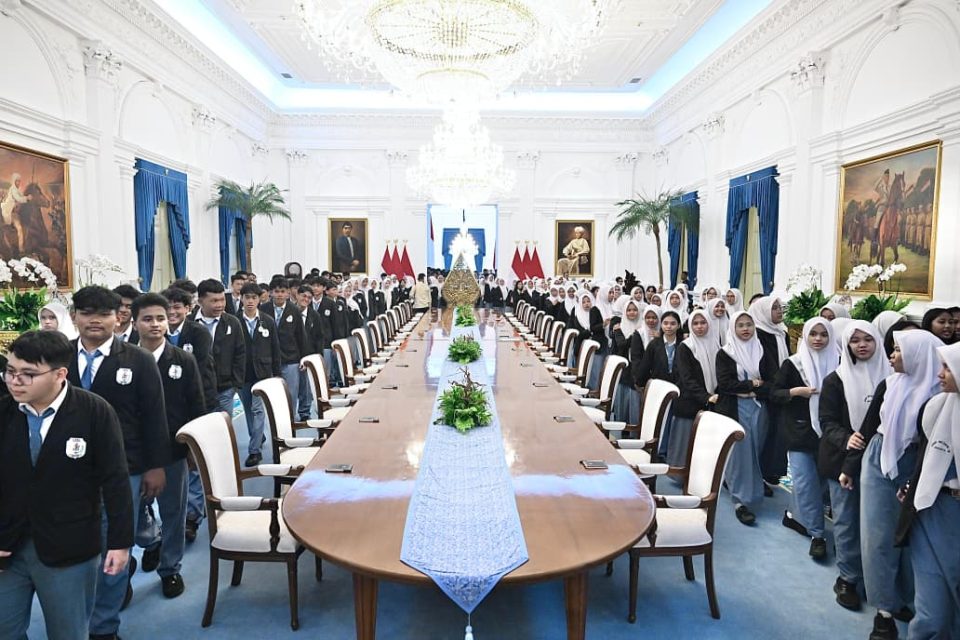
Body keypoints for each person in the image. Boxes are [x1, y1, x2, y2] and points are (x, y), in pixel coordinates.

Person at [0, 331, 132, 640]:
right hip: (9, 546)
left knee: (68, 632)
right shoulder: (4, 413)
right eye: (10, 371)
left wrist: (120, 542)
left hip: (69, 547)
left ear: (60, 374)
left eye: (28, 374)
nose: (15, 381)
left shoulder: (94, 412)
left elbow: (115, 479)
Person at [66, 286, 169, 639]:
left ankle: (104, 626)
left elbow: (154, 416)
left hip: (127, 467)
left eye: (104, 313)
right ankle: (77, 617)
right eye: (87, 312)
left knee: (116, 542)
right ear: (73, 316)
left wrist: (156, 466)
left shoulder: (137, 359)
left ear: (118, 317)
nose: (95, 320)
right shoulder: (59, 357)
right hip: (70, 472)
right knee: (75, 547)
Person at [851, 330, 942, 639]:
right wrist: (850, 465)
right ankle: (884, 612)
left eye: (899, 350)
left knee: (913, 538)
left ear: (918, 355)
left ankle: (906, 598)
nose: (892, 356)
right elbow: (867, 427)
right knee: (877, 535)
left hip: (918, 464)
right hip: (879, 458)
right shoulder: (890, 384)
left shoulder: (939, 396)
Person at [129, 293, 205, 599]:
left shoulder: (183, 360)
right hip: (133, 454)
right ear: (134, 322)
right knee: (132, 514)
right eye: (147, 319)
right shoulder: (122, 360)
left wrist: (193, 449)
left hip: (172, 450)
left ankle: (170, 568)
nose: (155, 324)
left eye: (160, 318)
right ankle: (150, 541)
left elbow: (196, 406)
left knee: (174, 512)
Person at [819, 321, 892, 612]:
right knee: (847, 521)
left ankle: (879, 583)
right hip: (842, 459)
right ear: (846, 345)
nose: (862, 345)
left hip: (880, 462)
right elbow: (827, 421)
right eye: (855, 340)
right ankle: (848, 578)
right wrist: (847, 438)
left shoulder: (891, 378)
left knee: (877, 526)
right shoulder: (835, 380)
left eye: (868, 339)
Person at [894, 341, 960, 640]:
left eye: (948, 367)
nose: (940, 374)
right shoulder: (937, 407)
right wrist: (912, 486)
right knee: (932, 608)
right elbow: (928, 459)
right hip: (933, 508)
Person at [771, 317, 838, 559]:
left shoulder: (839, 363)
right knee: (805, 482)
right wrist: (795, 392)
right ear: (805, 336)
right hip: (799, 432)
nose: (818, 339)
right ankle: (817, 535)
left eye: (824, 334)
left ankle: (794, 517)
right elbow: (774, 393)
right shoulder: (794, 364)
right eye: (813, 334)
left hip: (829, 434)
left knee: (819, 484)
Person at [161, 287, 216, 542]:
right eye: (168, 307)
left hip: (195, 403)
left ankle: (192, 516)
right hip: (164, 410)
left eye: (177, 307)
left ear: (187, 308)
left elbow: (198, 370)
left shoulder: (198, 333)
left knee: (193, 462)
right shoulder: (155, 333)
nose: (172, 312)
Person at [715, 311, 770, 525]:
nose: (745, 329)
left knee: (756, 451)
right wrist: (752, 384)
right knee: (740, 455)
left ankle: (751, 491)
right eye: (740, 325)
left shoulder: (762, 350)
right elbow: (725, 385)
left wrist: (753, 388)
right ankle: (741, 502)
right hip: (736, 408)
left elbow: (772, 380)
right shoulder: (725, 353)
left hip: (759, 407)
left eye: (749, 324)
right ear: (733, 329)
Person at [750, 295, 792, 489]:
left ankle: (770, 470)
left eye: (780, 307)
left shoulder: (782, 332)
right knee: (762, 435)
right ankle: (757, 475)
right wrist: (775, 384)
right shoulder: (757, 334)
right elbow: (761, 364)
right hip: (765, 391)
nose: (779, 311)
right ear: (764, 311)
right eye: (774, 308)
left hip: (779, 389)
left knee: (777, 433)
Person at [669, 309, 719, 468]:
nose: (699, 327)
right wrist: (706, 397)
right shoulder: (685, 347)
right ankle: (680, 474)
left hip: (711, 402)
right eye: (695, 323)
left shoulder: (716, 345)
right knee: (685, 444)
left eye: (703, 322)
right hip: (689, 402)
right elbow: (687, 379)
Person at [238, 283, 281, 467]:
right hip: (242, 373)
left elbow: (275, 348)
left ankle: (254, 451)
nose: (250, 301)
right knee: (248, 410)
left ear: (259, 300)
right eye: (247, 297)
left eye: (254, 298)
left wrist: (277, 374)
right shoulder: (234, 321)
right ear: (241, 299)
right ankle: (257, 435)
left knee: (257, 410)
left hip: (262, 372)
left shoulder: (267, 321)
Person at [193, 279, 245, 415]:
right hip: (197, 390)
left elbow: (240, 353)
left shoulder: (232, 323)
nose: (220, 305)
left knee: (224, 425)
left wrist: (235, 383)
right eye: (214, 301)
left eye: (222, 300)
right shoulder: (190, 323)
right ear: (200, 301)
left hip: (225, 388)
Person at [261, 278, 305, 418]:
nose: (279, 294)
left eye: (282, 291)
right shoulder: (263, 309)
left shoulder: (294, 310)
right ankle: (276, 420)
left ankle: (291, 419)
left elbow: (301, 336)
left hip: (291, 358)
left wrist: (303, 358)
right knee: (273, 394)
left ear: (288, 293)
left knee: (291, 392)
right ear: (270, 293)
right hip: (269, 360)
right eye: (276, 291)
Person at [611, 299, 645, 424]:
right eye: (629, 310)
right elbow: (622, 345)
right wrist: (635, 334)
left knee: (635, 404)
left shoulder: (643, 328)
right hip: (624, 370)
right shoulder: (619, 328)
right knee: (623, 403)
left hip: (637, 369)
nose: (632, 313)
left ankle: (633, 427)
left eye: (635, 310)